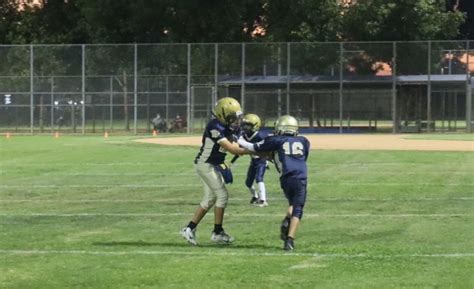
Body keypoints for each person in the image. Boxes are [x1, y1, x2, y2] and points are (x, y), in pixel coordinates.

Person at [181, 97, 249, 246]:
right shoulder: (215, 126)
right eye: (232, 118)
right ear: (222, 116)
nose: (236, 121)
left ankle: (189, 228)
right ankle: (217, 232)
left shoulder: (231, 127)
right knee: (222, 195)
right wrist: (257, 152)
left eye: (237, 117)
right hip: (205, 164)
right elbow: (233, 149)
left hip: (213, 164)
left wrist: (257, 147)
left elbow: (241, 142)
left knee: (210, 199)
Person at [238, 115, 310, 251]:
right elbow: (302, 158)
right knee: (298, 208)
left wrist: (239, 139)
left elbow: (253, 147)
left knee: (292, 204)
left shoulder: (276, 140)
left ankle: (287, 220)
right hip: (300, 177)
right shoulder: (304, 141)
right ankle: (290, 240)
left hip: (286, 178)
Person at [241, 113, 269, 207]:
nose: (245, 128)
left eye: (248, 126)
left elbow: (268, 149)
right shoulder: (245, 136)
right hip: (253, 161)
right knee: (248, 183)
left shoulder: (260, 136)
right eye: (244, 125)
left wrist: (267, 160)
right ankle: (255, 197)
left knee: (259, 179)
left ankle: (263, 200)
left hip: (261, 160)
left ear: (255, 126)